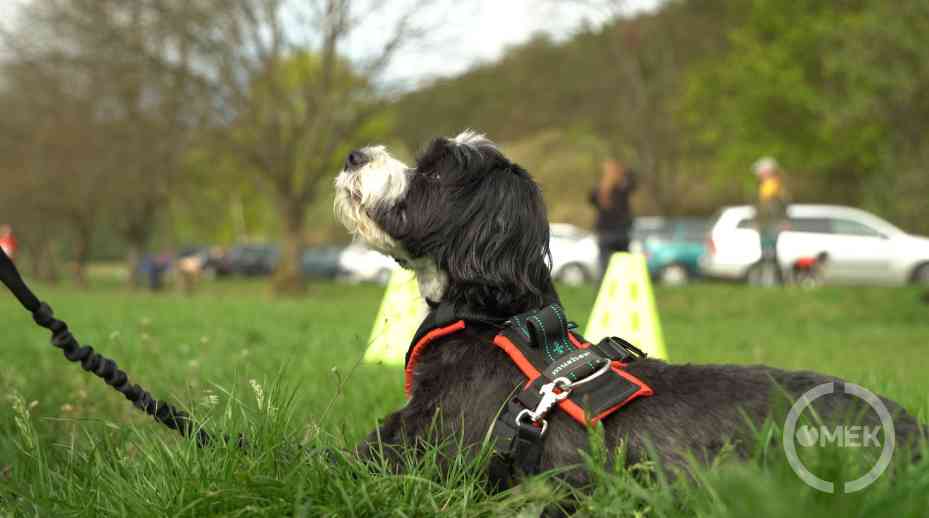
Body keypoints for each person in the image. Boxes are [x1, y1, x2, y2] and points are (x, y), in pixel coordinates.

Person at [589, 159, 637, 276]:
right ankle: (624, 287)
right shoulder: (622, 189)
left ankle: (602, 290)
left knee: (604, 267)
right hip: (621, 233)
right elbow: (633, 181)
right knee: (624, 265)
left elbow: (590, 199)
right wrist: (624, 172)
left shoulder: (599, 191)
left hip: (605, 234)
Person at [752, 157, 790, 285]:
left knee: (773, 254)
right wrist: (756, 222)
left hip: (774, 224)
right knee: (764, 253)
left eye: (761, 172)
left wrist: (784, 221)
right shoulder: (761, 188)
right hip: (763, 225)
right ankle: (764, 281)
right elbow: (758, 208)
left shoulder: (778, 186)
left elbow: (784, 205)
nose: (759, 175)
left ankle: (778, 281)